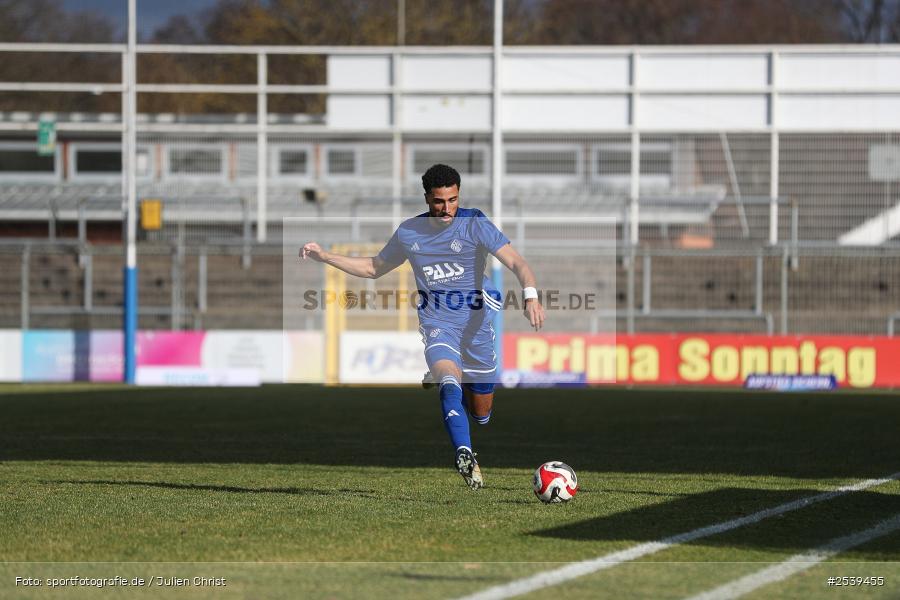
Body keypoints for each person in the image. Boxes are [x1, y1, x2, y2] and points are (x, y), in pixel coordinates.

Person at [301, 163, 545, 490]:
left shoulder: (474, 223)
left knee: (482, 413)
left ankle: (459, 386)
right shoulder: (409, 232)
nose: (447, 209)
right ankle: (464, 452)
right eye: (439, 202)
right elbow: (374, 267)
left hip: (477, 324)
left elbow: (517, 262)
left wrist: (531, 296)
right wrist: (325, 256)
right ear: (427, 198)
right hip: (437, 321)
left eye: (453, 200)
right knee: (448, 380)